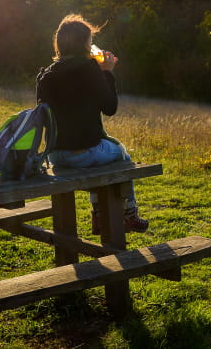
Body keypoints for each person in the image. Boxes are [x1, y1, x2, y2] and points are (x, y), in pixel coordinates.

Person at [36, 14, 148, 233]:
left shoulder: (46, 75)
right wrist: (107, 73)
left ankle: (99, 216)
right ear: (84, 44)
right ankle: (129, 214)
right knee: (121, 153)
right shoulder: (90, 69)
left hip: (55, 155)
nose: (90, 46)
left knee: (102, 160)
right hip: (84, 152)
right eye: (89, 41)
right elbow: (110, 108)